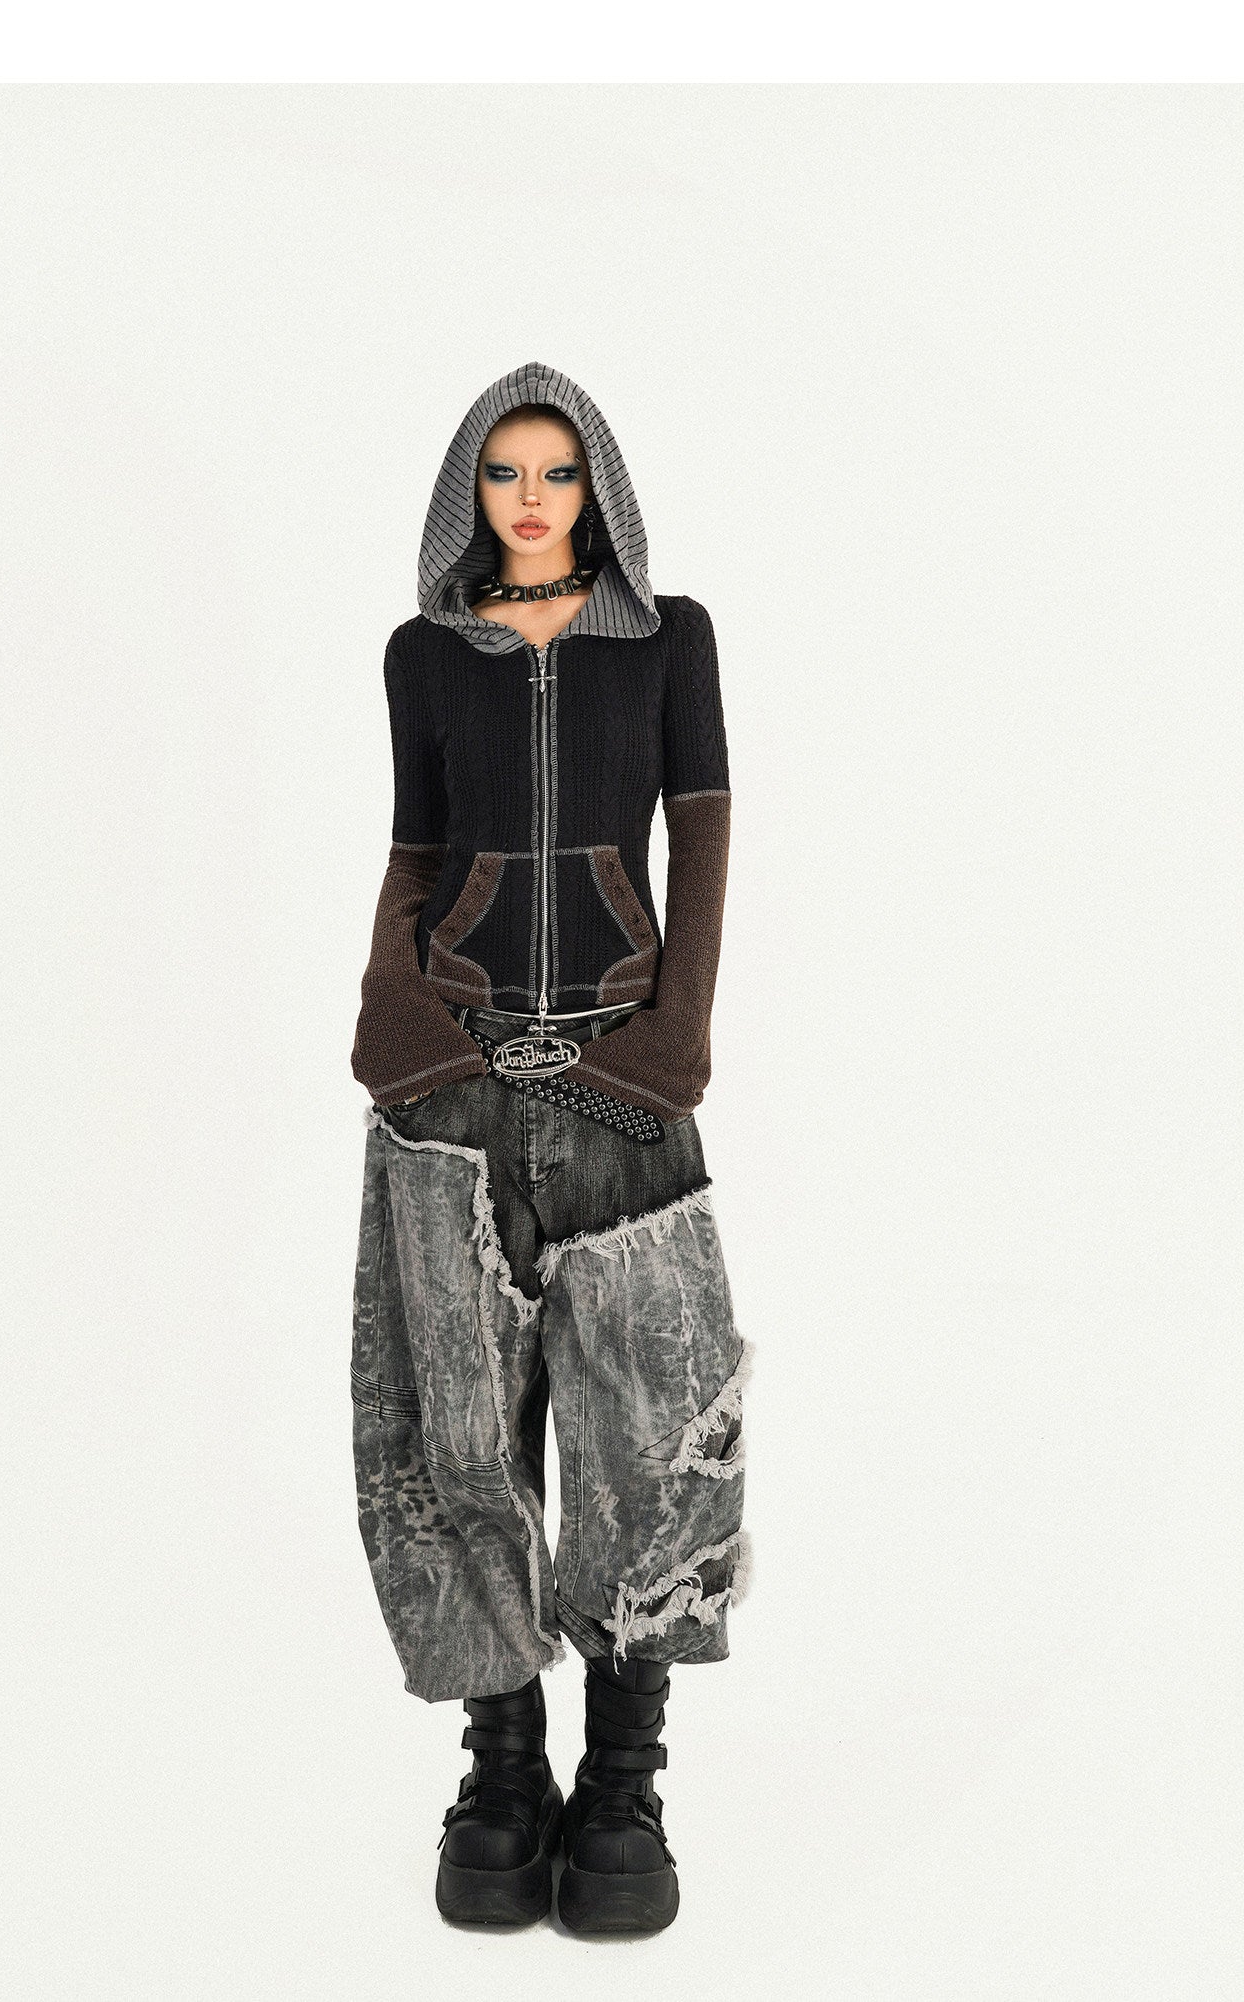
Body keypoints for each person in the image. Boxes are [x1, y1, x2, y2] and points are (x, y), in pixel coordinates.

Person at [349, 361, 751, 1935]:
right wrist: (394, 1017)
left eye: (557, 472)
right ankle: (503, 1774)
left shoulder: (670, 641)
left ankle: (625, 1782)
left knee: (651, 1428)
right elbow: (415, 851)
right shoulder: (422, 654)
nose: (530, 498)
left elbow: (703, 842)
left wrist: (672, 1040)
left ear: (599, 491)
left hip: (619, 1082)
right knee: (463, 1431)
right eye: (505, 472)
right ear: (472, 489)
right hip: (449, 1083)